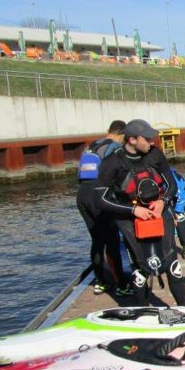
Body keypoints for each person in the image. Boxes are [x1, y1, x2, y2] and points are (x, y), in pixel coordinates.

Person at [95, 119, 185, 306]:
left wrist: (162, 202)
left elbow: (171, 184)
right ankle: (143, 311)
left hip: (159, 214)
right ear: (131, 140)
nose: (152, 142)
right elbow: (100, 199)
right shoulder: (112, 162)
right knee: (142, 267)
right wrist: (134, 209)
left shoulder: (155, 155)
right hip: (130, 219)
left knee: (172, 263)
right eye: (147, 139)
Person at [76, 120, 129, 295]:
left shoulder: (93, 145)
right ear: (121, 134)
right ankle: (121, 284)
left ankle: (101, 282)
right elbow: (119, 175)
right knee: (112, 241)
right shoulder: (114, 148)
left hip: (82, 194)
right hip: (99, 194)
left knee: (97, 240)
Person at [170, 168, 185, 259]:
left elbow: (181, 195)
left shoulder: (172, 177)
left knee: (180, 221)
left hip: (179, 194)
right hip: (161, 195)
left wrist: (177, 212)